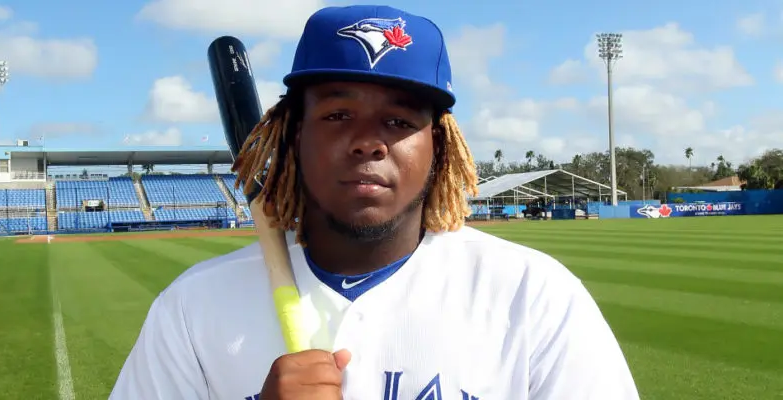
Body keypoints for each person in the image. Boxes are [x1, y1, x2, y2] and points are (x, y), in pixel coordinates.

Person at [110, 5, 639, 399]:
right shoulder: (192, 308)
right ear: (293, 136)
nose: (369, 141)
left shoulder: (533, 297)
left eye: (400, 121)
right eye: (338, 115)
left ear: (440, 147)